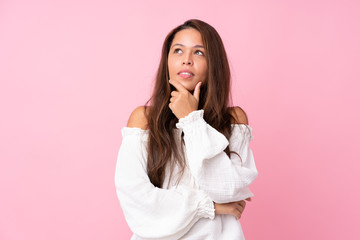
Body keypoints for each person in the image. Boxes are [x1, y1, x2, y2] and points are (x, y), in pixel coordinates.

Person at [115, 19, 258, 240]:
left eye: (199, 53)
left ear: (214, 64)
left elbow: (228, 189)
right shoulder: (143, 120)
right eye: (178, 51)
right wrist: (209, 205)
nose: (187, 60)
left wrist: (191, 120)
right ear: (167, 61)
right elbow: (137, 201)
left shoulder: (233, 121)